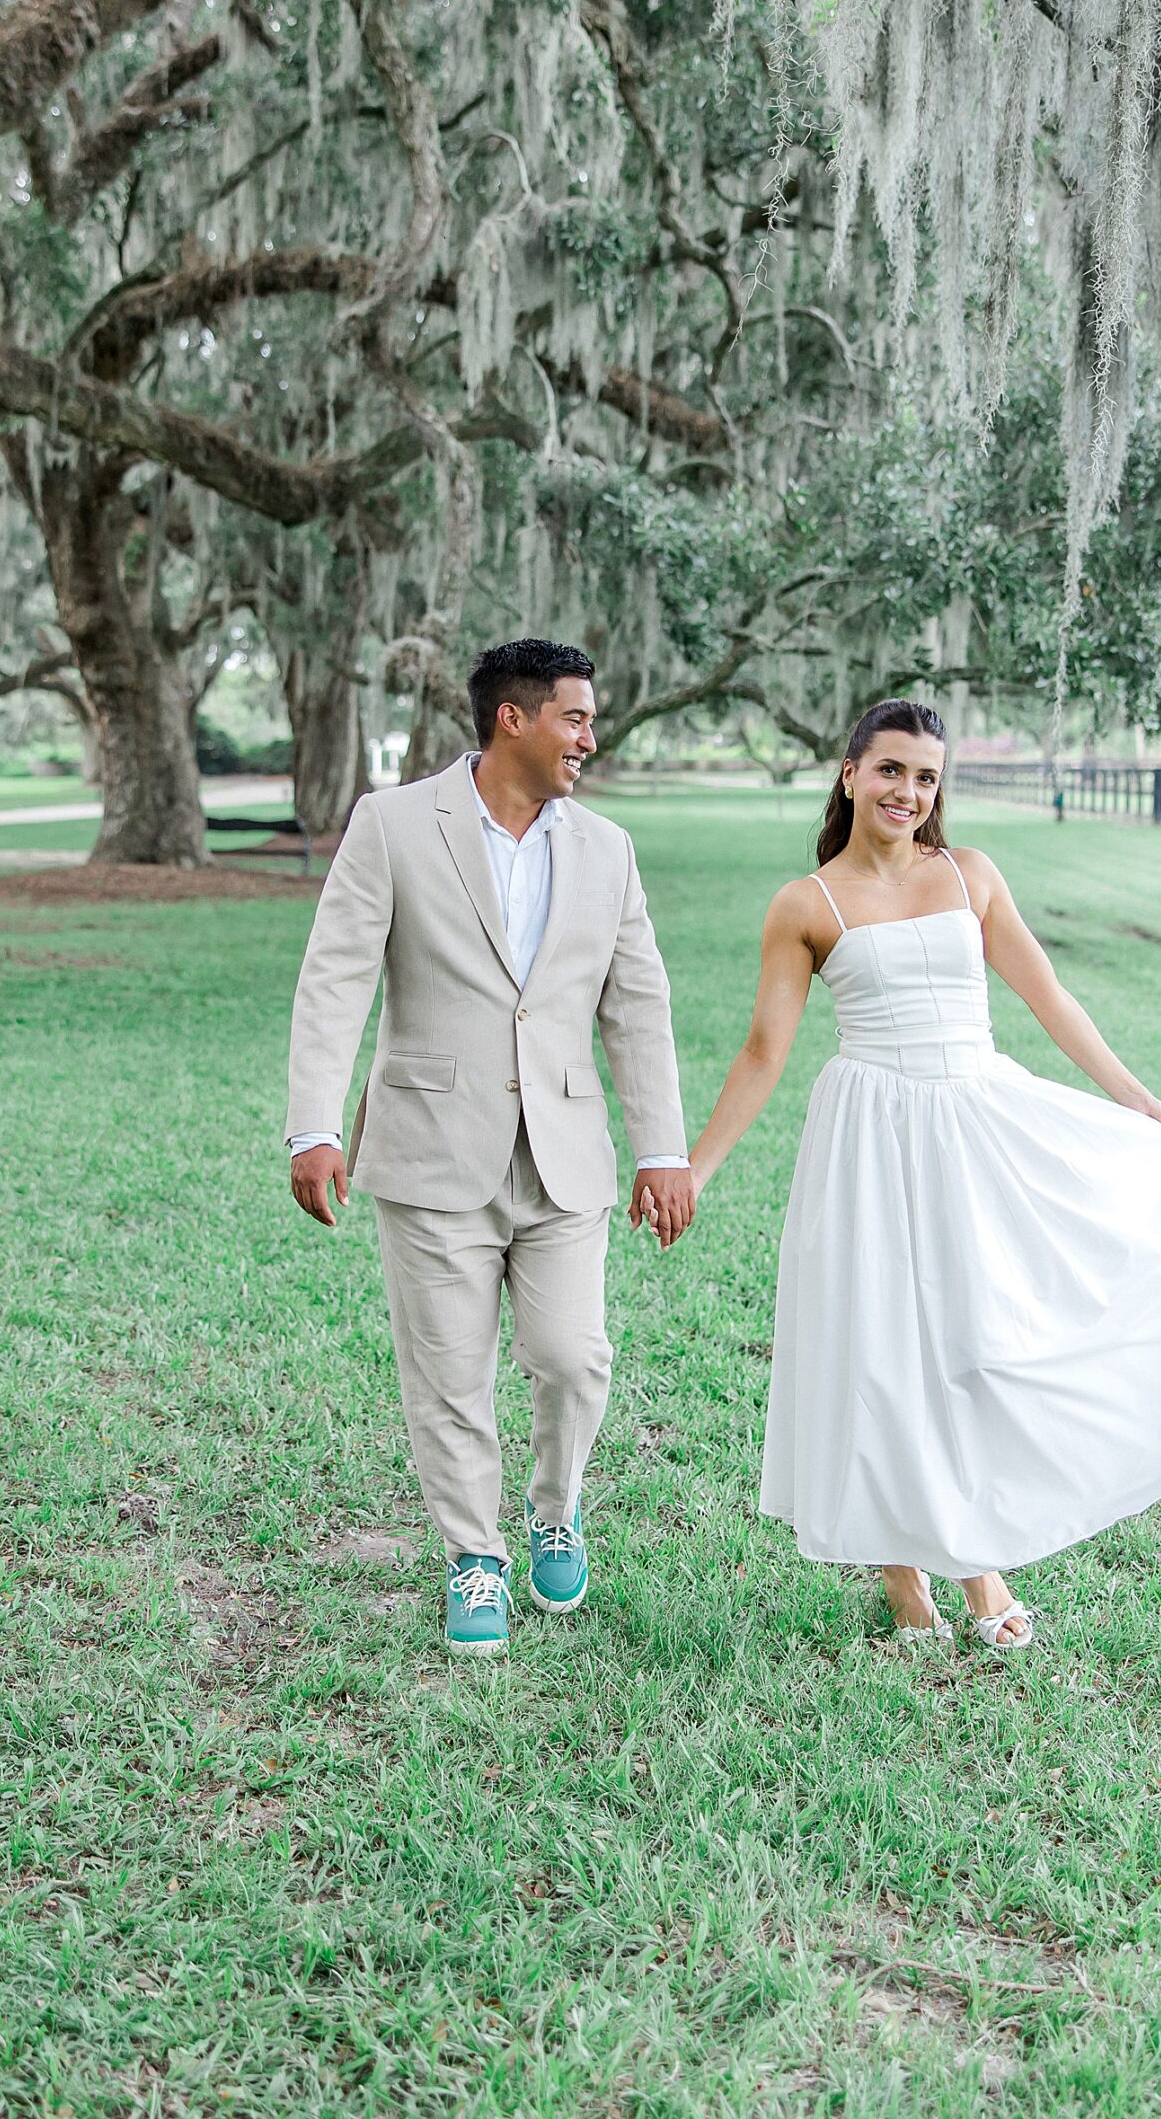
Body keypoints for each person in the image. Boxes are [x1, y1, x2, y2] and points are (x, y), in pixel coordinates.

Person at [688, 699, 1161, 1653]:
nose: (908, 791)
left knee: (977, 1339)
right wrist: (697, 1170)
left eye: (926, 777)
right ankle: (904, 1575)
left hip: (977, 1119)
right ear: (849, 773)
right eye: (891, 771)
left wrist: (1133, 1096)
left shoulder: (970, 875)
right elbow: (759, 1052)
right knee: (879, 1345)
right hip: (870, 1134)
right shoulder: (805, 904)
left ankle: (977, 1561)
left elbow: (1049, 996)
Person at [285, 638, 694, 1658]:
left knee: (571, 1355)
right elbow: (336, 976)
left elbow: (637, 1004)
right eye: (575, 718)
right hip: (428, 1147)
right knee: (447, 1371)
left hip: (563, 1151)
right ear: (512, 719)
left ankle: (555, 1508)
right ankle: (475, 1554)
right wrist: (315, 1124)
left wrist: (663, 1148)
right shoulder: (391, 824)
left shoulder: (607, 848)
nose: (589, 739)